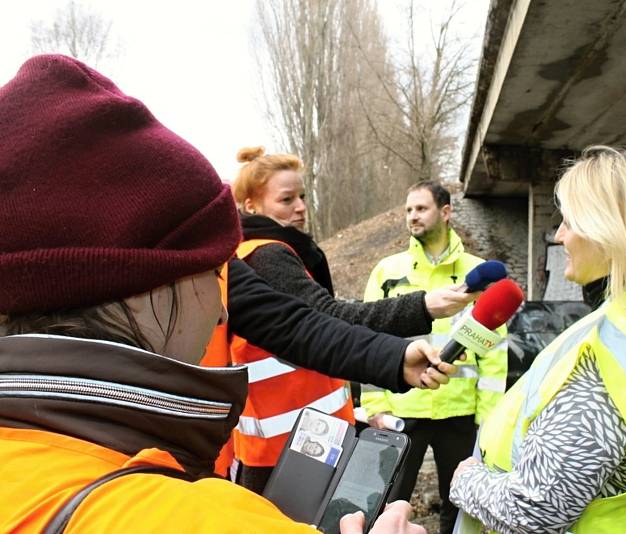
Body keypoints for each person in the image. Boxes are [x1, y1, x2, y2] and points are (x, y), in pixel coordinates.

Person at [0, 54, 449, 533]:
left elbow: (297, 322)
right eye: (212, 271)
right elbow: (307, 318)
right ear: (142, 283)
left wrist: (393, 356)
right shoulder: (196, 520)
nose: (220, 312)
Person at [449, 146, 626, 533]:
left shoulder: (601, 364)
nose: (560, 235)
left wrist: (467, 480)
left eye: (570, 221)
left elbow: (536, 511)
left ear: (610, 233)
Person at [228, 148, 477, 494]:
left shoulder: (261, 253)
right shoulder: (268, 256)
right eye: (286, 200)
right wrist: (424, 307)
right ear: (251, 206)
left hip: (294, 442)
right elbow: (329, 318)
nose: (300, 207)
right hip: (291, 450)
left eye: (302, 196)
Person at [360, 181, 508, 534]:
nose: (412, 216)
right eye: (409, 209)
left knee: (461, 505)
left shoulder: (479, 272)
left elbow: (494, 352)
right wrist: (374, 404)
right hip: (402, 411)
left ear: (445, 212)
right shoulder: (387, 271)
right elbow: (368, 339)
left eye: (421, 208)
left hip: (459, 414)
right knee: (387, 501)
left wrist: (488, 417)